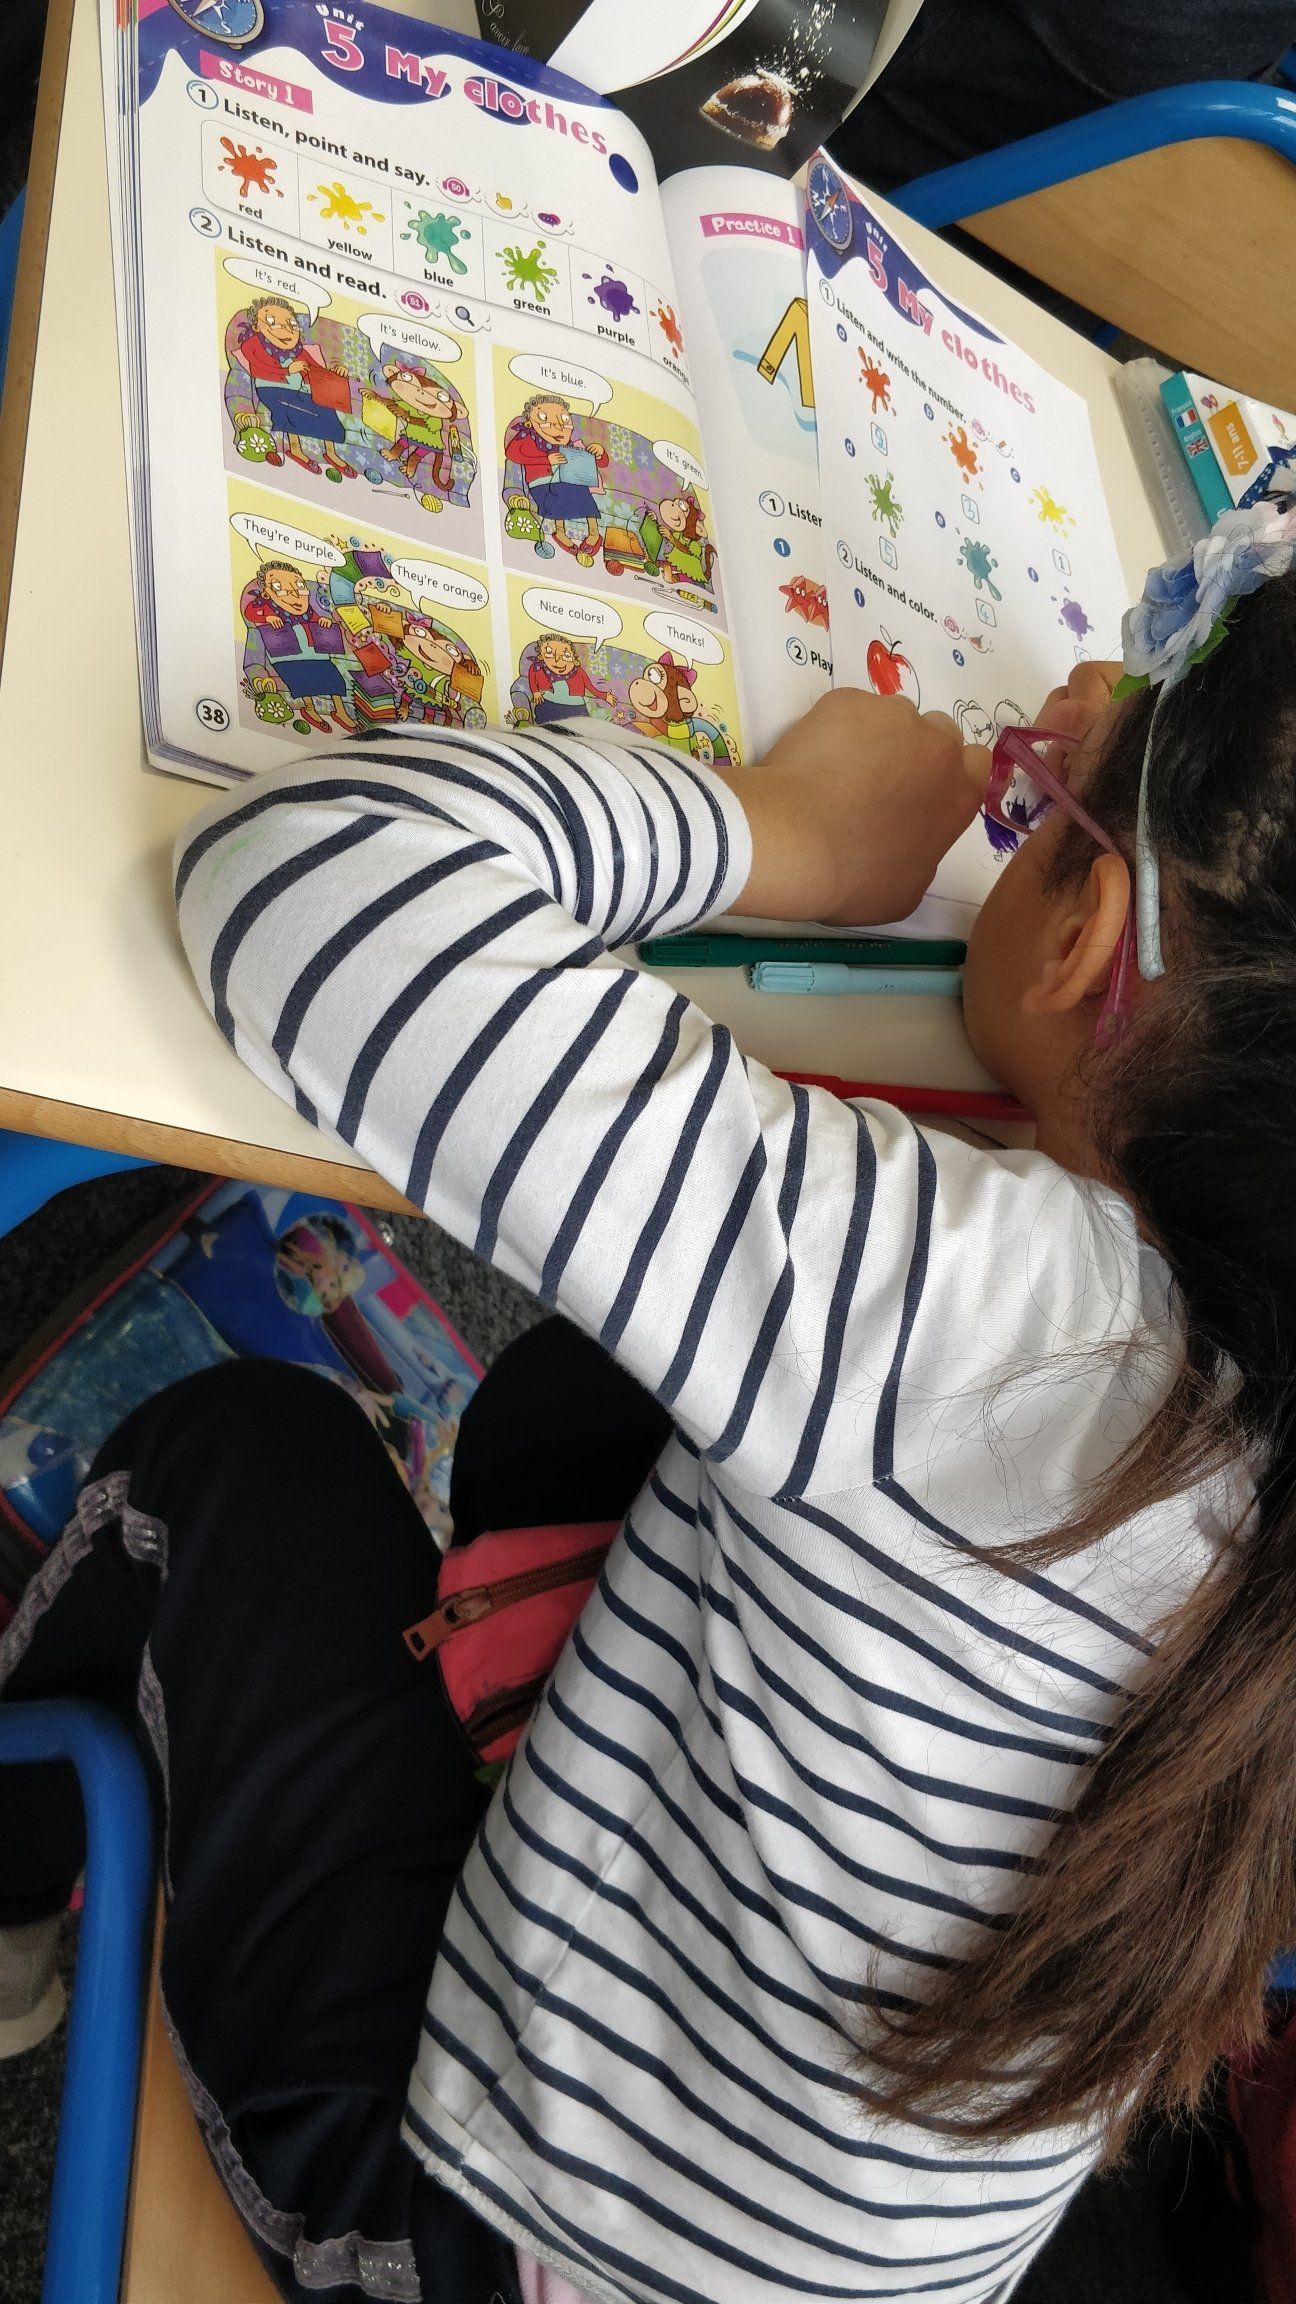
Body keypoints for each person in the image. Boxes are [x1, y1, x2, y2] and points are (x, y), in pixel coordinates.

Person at [6, 506, 1296, 2303]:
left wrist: (793, 829)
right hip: (812, 2206)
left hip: (486, 2227)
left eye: (1047, 814)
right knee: (580, 1397)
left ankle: (10, 1906)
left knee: (241, 1461)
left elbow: (310, 878)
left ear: (1091, 952)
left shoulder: (1000, 1333)